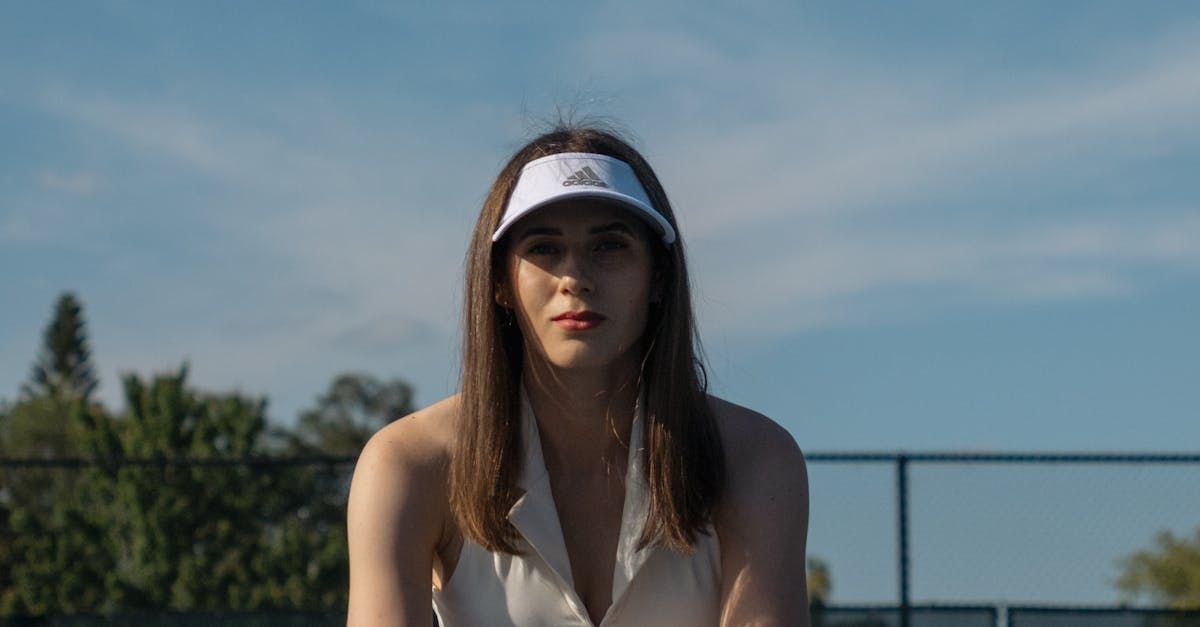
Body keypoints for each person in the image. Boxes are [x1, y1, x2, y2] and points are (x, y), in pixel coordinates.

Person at [347, 125, 811, 626]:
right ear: (501, 282)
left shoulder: (755, 458)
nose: (575, 278)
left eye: (609, 246)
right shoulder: (409, 464)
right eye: (544, 248)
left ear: (658, 276)